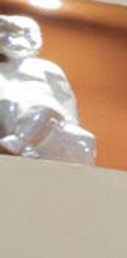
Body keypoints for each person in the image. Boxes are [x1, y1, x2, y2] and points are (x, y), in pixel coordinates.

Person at [0, 11, 98, 163]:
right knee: (6, 103)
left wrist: (71, 122)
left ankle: (18, 142)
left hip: (44, 115)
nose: (12, 41)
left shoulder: (45, 68)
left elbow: (65, 100)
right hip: (8, 115)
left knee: (42, 110)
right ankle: (14, 143)